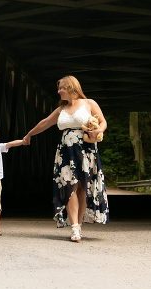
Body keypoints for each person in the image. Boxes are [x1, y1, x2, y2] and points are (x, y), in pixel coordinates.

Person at [22, 75, 108, 242]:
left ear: (71, 88)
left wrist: (98, 131)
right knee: (69, 186)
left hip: (86, 149)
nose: (58, 91)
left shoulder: (89, 103)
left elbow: (103, 122)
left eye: (61, 87)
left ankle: (79, 225)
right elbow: (45, 122)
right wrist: (29, 135)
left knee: (82, 187)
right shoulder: (61, 109)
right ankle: (74, 227)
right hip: (66, 151)